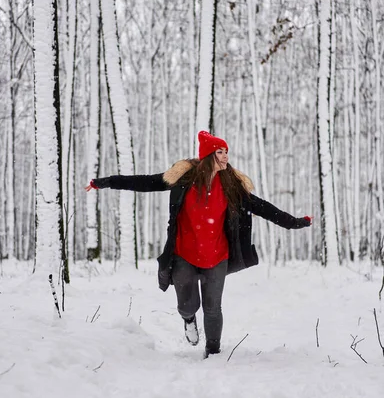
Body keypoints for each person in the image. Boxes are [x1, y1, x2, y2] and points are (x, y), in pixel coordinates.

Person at [86, 131, 312, 358]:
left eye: (226, 152)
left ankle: (213, 353)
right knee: (187, 305)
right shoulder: (183, 180)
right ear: (207, 156)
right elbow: (144, 182)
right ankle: (188, 319)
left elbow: (263, 207)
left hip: (217, 256)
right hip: (184, 254)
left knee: (213, 308)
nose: (225, 157)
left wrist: (295, 223)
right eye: (220, 152)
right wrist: (103, 183)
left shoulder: (231, 186)